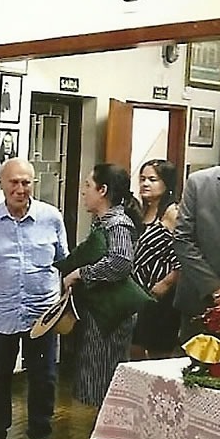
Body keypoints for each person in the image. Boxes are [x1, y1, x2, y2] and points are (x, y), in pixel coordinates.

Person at [0, 157, 68, 439]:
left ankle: (41, 434)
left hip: (43, 312)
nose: (20, 188)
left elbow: (63, 260)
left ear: (33, 184)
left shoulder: (51, 217)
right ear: (1, 184)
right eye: (14, 182)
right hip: (1, 312)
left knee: (44, 375)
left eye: (26, 182)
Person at [61, 163, 143, 407]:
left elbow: (120, 262)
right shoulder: (103, 222)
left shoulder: (117, 223)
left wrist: (81, 273)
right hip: (101, 312)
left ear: (103, 190)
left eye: (88, 186)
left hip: (111, 314)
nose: (84, 192)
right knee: (97, 377)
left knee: (105, 381)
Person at [173, 121, 220, 342]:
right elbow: (183, 239)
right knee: (193, 370)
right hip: (199, 299)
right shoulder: (199, 183)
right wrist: (214, 289)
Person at [131, 159, 181, 358]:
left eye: (152, 179)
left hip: (162, 294)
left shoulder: (172, 213)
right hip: (139, 291)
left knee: (157, 354)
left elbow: (185, 254)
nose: (145, 184)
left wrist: (166, 283)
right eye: (142, 179)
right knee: (133, 350)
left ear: (166, 183)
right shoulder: (141, 210)